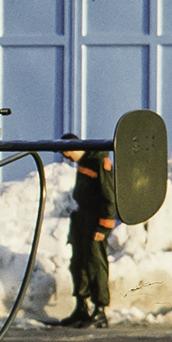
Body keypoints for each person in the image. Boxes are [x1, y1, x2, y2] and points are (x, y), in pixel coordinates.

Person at [58, 134, 115, 328]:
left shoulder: (99, 161)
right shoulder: (83, 162)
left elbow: (109, 195)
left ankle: (100, 310)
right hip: (82, 217)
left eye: (67, 154)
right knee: (78, 263)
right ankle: (81, 307)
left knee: (95, 263)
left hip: (95, 217)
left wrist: (104, 225)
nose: (67, 159)